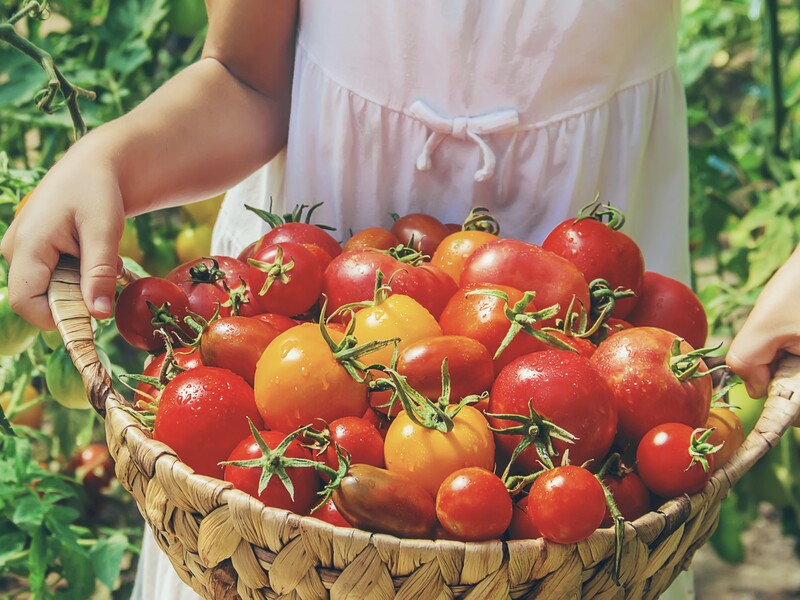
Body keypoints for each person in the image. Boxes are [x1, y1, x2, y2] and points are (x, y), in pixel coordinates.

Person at [1, 1, 698, 598]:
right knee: (278, 556)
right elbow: (245, 77)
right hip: (293, 317)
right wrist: (109, 162)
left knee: (583, 553)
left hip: (598, 331)